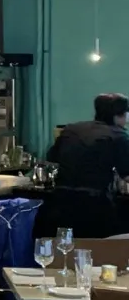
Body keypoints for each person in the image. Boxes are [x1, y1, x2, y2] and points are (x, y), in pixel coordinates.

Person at [46, 93, 129, 237]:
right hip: (94, 206)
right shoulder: (119, 136)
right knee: (99, 247)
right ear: (120, 114)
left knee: (65, 246)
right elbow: (127, 175)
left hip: (59, 203)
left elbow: (52, 158)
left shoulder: (71, 129)